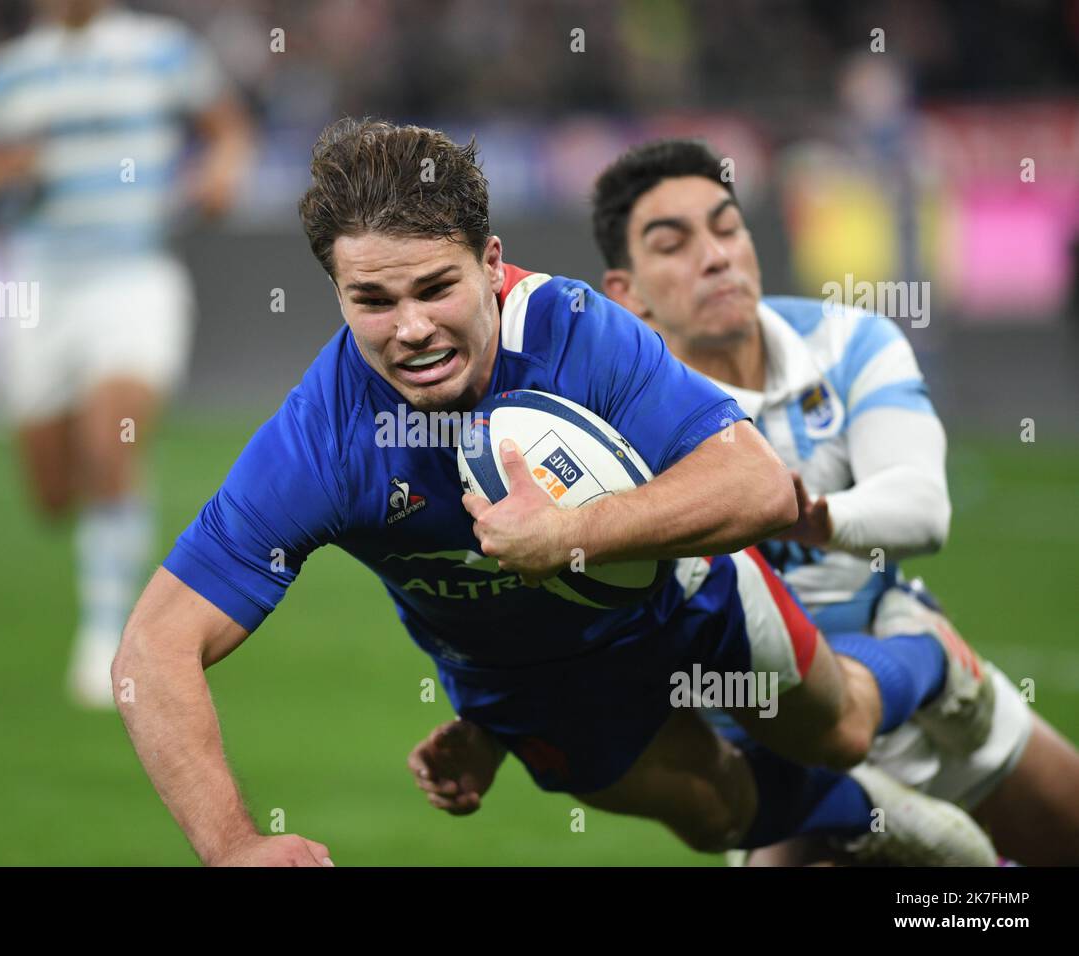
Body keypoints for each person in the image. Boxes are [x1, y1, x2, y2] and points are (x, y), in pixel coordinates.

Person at [115, 119, 996, 867]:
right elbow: (152, 650)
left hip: (684, 589)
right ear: (336, 294)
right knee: (716, 815)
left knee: (836, 728)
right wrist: (232, 848)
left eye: (435, 287)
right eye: (373, 301)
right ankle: (880, 820)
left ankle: (933, 656)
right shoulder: (322, 439)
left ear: (491, 263)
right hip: (522, 680)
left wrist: (570, 533)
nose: (412, 328)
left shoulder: (577, 334)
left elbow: (760, 487)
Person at [409, 137, 1079, 867]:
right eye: (673, 244)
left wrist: (809, 515)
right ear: (627, 292)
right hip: (772, 743)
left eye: (727, 228)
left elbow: (922, 509)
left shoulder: (849, 339)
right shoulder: (600, 423)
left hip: (922, 692)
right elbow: (565, 604)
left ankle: (936, 673)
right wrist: (497, 730)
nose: (716, 255)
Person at [0, 0, 253, 707]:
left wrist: (220, 171)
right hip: (41, 287)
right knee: (54, 494)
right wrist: (2, 174)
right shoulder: (9, 75)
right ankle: (114, 519)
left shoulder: (160, 50)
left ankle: (106, 638)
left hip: (133, 275)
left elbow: (229, 125)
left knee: (109, 439)